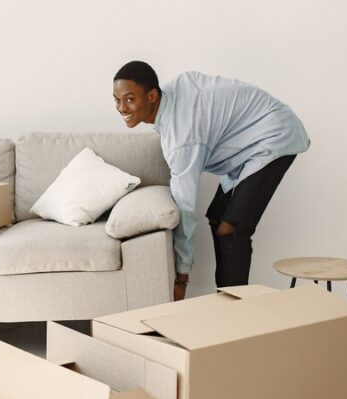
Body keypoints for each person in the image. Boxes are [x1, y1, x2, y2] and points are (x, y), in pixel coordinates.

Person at [112, 61, 310, 301]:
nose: (122, 107)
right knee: (217, 219)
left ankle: (234, 314)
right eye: (117, 100)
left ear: (152, 96)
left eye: (130, 99)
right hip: (244, 143)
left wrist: (182, 275)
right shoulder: (169, 102)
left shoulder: (182, 137)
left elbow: (184, 209)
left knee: (231, 229)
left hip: (274, 134)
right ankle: (224, 302)